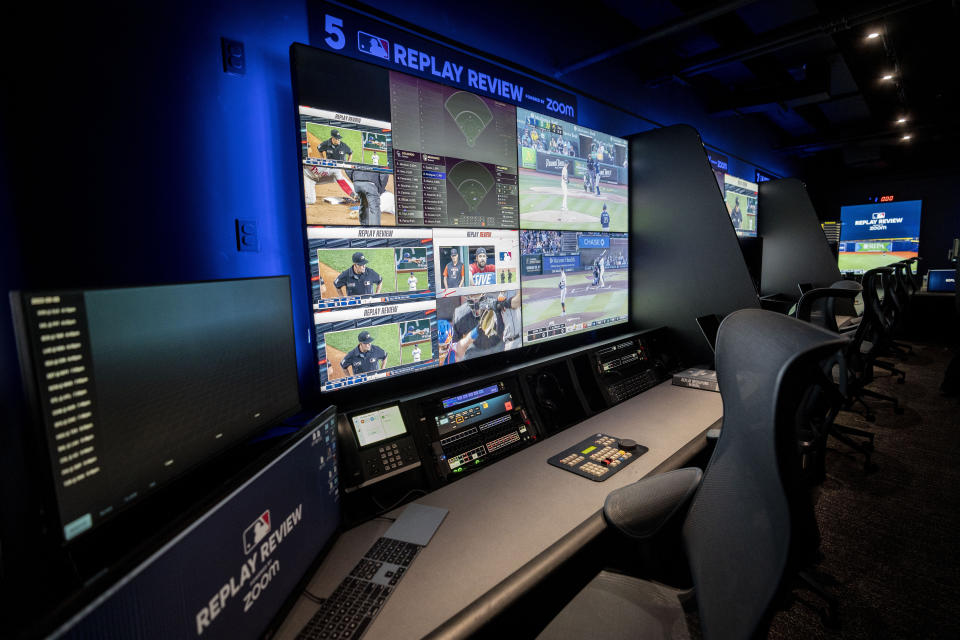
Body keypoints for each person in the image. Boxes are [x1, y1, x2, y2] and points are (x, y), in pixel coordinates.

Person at [450, 293, 521, 360]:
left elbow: (513, 304)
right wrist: (475, 332)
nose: (476, 300)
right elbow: (456, 349)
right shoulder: (460, 314)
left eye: (477, 297)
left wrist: (498, 312)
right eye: (473, 297)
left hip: (498, 352)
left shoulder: (495, 303)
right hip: (473, 357)